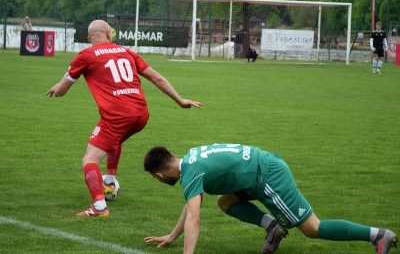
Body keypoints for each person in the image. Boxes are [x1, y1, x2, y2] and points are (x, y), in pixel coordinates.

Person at [45, 20, 202, 217]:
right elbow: (157, 78)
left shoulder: (84, 56)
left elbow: (61, 91)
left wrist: (55, 88)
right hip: (141, 116)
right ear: (109, 35)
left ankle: (99, 206)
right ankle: (109, 182)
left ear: (88, 38)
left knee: (89, 159)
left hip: (117, 117)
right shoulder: (126, 52)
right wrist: (179, 100)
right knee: (114, 140)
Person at [143, 143, 398, 254]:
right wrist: (173, 235)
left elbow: (195, 220)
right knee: (224, 201)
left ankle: (378, 235)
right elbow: (191, 207)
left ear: (158, 174)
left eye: (157, 179)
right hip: (257, 172)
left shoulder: (189, 174)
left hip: (267, 178)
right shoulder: (191, 158)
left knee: (312, 229)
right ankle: (272, 227)